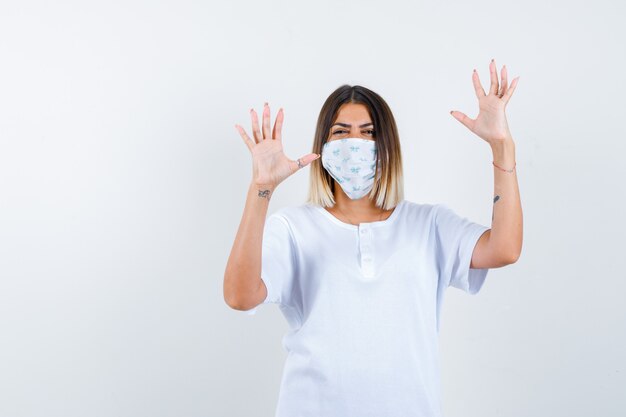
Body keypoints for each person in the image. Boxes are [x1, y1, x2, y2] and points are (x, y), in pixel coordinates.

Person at [224, 59, 522, 417]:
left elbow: (504, 249)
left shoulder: (427, 224)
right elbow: (240, 297)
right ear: (322, 145)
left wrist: (502, 147)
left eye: (368, 132)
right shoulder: (293, 228)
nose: (355, 142)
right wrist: (261, 190)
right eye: (340, 132)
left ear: (387, 145)